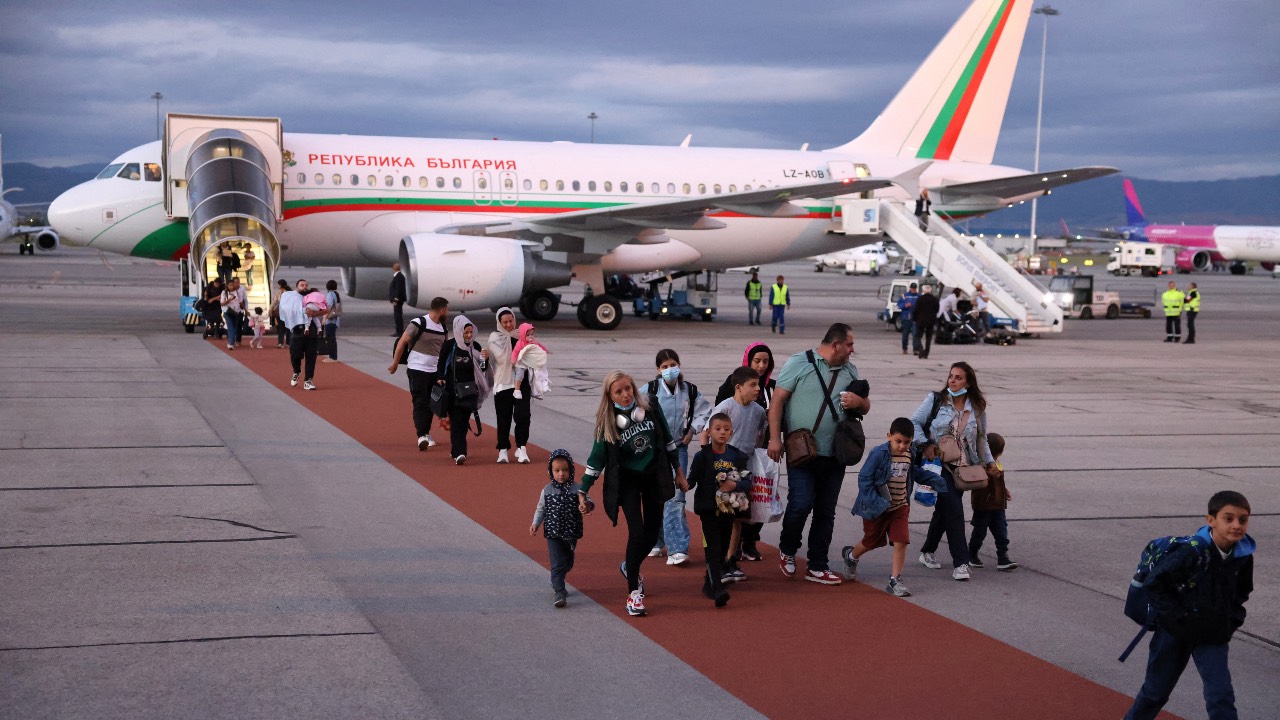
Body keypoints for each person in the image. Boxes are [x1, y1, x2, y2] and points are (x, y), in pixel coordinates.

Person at [1124, 491, 1255, 720]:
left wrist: (1230, 620)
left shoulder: (1243, 555)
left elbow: (1241, 591)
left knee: (1220, 697)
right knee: (1155, 693)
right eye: (1228, 518)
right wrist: (1179, 617)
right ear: (1211, 520)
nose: (1236, 525)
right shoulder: (1191, 551)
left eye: (1242, 520)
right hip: (1173, 633)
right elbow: (1155, 584)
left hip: (1212, 634)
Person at [767, 323, 871, 585]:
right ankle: (788, 549)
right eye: (849, 344)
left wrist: (860, 403)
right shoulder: (798, 363)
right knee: (801, 504)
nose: (852, 350)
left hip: (836, 452)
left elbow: (865, 405)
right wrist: (774, 439)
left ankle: (817, 564)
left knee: (826, 510)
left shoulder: (850, 370)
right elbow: (777, 401)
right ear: (835, 345)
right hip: (802, 450)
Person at [577, 371, 687, 617]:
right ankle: (634, 593)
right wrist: (583, 488)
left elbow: (669, 442)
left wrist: (679, 473)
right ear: (610, 395)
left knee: (650, 537)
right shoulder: (608, 421)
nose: (626, 394)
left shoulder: (650, 407)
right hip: (627, 482)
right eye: (619, 391)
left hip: (653, 477)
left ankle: (630, 565)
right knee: (636, 533)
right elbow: (596, 460)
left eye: (628, 388)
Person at [912, 362, 997, 580]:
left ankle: (927, 551)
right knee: (954, 510)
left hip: (963, 467)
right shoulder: (936, 400)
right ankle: (961, 562)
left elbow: (981, 438)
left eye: (958, 377)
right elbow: (913, 423)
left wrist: (989, 462)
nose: (952, 380)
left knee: (944, 510)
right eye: (951, 376)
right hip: (938, 466)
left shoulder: (976, 407)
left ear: (968, 382)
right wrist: (925, 444)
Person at [842, 417, 934, 597]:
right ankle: (852, 556)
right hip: (877, 508)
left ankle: (895, 579)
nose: (902, 446)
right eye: (898, 441)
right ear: (889, 436)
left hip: (900, 507)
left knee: (901, 541)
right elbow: (864, 478)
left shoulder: (910, 454)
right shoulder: (879, 454)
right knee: (872, 541)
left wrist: (934, 481)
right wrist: (873, 500)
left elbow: (914, 473)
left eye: (906, 442)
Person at [640, 349, 712, 567]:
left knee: (676, 496)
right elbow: (635, 413)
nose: (670, 370)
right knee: (655, 495)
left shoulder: (689, 391)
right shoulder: (649, 390)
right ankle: (656, 539)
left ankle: (678, 548)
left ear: (679, 365)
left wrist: (692, 430)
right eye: (664, 367)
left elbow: (705, 412)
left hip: (678, 449)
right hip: (654, 452)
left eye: (673, 365)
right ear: (658, 370)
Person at [715, 342, 776, 561]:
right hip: (727, 460)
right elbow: (715, 424)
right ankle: (723, 553)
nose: (761, 365)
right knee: (727, 510)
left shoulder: (770, 390)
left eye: (765, 361)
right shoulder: (730, 392)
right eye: (757, 360)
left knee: (752, 504)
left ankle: (744, 546)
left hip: (756, 458)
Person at [687, 412, 752, 607]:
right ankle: (717, 590)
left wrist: (735, 486)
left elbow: (747, 480)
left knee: (723, 547)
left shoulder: (736, 456)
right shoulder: (702, 456)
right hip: (708, 510)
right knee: (712, 548)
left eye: (726, 429)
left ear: (731, 432)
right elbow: (691, 480)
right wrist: (681, 483)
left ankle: (709, 582)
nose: (722, 433)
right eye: (718, 429)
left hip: (728, 510)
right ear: (709, 432)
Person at [711, 366, 767, 582]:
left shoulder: (759, 411)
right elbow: (710, 433)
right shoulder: (726, 408)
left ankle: (730, 559)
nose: (757, 389)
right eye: (752, 385)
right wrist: (711, 461)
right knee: (722, 516)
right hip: (724, 468)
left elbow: (759, 434)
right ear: (738, 387)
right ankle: (717, 561)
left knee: (738, 518)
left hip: (744, 469)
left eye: (758, 385)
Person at [529, 449, 589, 608]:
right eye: (557, 470)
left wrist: (586, 506)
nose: (561, 474)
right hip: (553, 533)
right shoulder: (547, 490)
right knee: (557, 563)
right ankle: (559, 591)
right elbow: (541, 508)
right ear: (551, 471)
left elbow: (588, 502)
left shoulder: (577, 489)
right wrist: (536, 523)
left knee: (567, 562)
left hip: (571, 533)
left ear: (571, 470)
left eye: (565, 470)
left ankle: (560, 578)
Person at [388, 297, 449, 451]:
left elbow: (443, 352)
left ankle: (426, 433)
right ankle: (421, 435)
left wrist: (443, 373)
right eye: (447, 309)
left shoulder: (443, 328)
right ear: (442, 310)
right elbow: (402, 342)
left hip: (435, 371)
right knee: (420, 401)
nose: (448, 312)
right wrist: (395, 363)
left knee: (432, 402)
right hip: (417, 369)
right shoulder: (419, 323)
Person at [439, 314, 493, 465]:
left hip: (470, 392)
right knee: (456, 421)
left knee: (463, 422)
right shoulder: (449, 346)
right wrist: (440, 378)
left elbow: (482, 369)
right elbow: (441, 364)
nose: (469, 335)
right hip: (452, 392)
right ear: (458, 331)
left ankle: (455, 449)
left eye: (470, 332)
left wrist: (485, 359)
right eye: (466, 333)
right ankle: (460, 452)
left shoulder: (474, 347)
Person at [967, 432, 1017, 571]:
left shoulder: (998, 465)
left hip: (998, 506)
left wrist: (1003, 489)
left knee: (1001, 531)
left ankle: (1003, 557)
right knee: (979, 532)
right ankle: (971, 554)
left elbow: (998, 483)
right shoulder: (982, 466)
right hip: (983, 506)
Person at [488, 307, 531, 464]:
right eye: (504, 322)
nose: (508, 325)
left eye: (511, 321)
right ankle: (503, 449)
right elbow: (502, 359)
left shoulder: (522, 335)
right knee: (504, 418)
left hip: (521, 383)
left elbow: (533, 354)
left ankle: (521, 447)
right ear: (499, 323)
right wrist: (522, 352)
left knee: (523, 416)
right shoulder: (495, 337)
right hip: (503, 383)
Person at [279, 279, 326, 391]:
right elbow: (285, 308)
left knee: (311, 356)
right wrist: (301, 311)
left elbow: (324, 310)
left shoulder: (312, 297)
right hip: (297, 330)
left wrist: (314, 313)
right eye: (302, 285)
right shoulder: (290, 296)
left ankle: (308, 380)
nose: (304, 287)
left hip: (311, 330)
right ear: (297, 287)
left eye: (306, 285)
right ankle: (296, 371)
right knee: (295, 355)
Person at [511, 323, 549, 400]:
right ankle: (517, 389)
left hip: (531, 362)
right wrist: (513, 360)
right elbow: (515, 352)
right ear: (522, 335)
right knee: (520, 374)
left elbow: (539, 346)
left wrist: (545, 350)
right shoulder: (520, 343)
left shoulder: (533, 342)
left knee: (536, 375)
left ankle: (537, 389)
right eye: (528, 335)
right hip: (522, 363)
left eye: (532, 334)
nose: (530, 337)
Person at [912, 283, 939, 359]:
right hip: (931, 321)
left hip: (920, 321)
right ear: (930, 291)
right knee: (928, 338)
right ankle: (926, 353)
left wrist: (914, 318)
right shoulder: (934, 299)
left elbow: (916, 310)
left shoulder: (920, 299)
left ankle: (921, 350)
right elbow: (937, 309)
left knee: (917, 337)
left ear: (923, 290)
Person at [220, 278, 246, 349]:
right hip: (227, 312)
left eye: (232, 285)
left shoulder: (237, 292)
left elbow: (241, 302)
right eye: (230, 285)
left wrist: (246, 309)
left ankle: (231, 341)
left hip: (236, 312)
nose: (232, 286)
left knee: (234, 328)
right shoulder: (224, 292)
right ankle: (231, 344)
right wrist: (229, 300)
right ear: (227, 286)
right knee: (231, 326)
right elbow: (222, 303)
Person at [321, 279, 341, 363]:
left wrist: (324, 318)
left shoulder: (330, 294)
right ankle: (333, 356)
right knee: (332, 338)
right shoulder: (336, 294)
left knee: (330, 339)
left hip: (330, 320)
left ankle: (332, 357)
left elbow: (328, 307)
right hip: (335, 320)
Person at [897, 282, 919, 355]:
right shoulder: (904, 295)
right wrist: (905, 305)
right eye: (912, 288)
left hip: (915, 317)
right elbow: (899, 304)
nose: (913, 290)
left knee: (915, 334)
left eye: (914, 288)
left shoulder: (919, 296)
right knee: (905, 334)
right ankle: (904, 348)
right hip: (906, 317)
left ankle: (915, 349)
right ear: (910, 288)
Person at [389, 262, 408, 336]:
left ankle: (399, 331)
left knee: (398, 316)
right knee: (397, 315)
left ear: (393, 269)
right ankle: (399, 330)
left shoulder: (399, 277)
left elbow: (398, 289)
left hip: (398, 300)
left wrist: (396, 299)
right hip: (398, 299)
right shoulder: (399, 276)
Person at [271, 278, 290, 348]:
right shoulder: (280, 293)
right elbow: (274, 302)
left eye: (279, 285)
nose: (278, 286)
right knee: (282, 328)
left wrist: (271, 309)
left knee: (285, 328)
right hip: (281, 312)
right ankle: (282, 342)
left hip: (286, 312)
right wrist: (271, 309)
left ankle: (284, 342)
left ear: (281, 285)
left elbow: (275, 302)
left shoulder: (286, 293)